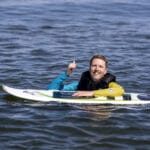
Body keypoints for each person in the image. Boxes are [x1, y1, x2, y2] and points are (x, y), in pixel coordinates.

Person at [47, 55, 125, 97]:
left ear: (105, 71)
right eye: (94, 65)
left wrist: (91, 93)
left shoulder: (110, 84)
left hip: (101, 110)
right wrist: (67, 73)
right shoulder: (78, 84)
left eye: (100, 66)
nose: (97, 69)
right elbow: (51, 90)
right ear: (89, 68)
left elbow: (120, 91)